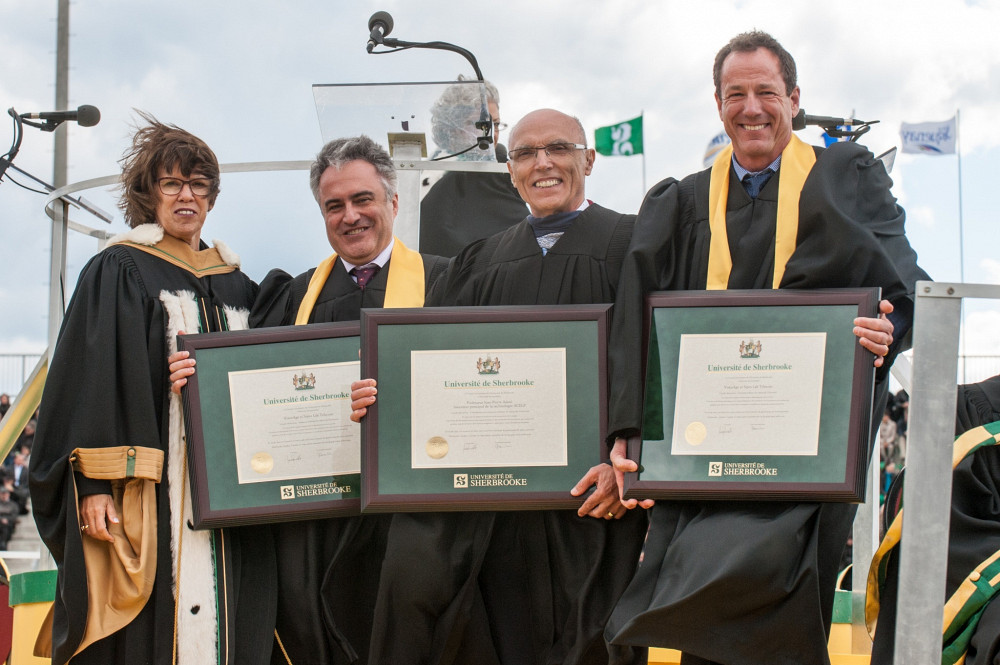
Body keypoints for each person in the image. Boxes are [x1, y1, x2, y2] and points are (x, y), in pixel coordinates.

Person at [604, 31, 929, 665]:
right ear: (718, 104)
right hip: (705, 441)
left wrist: (888, 328)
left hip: (811, 435)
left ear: (794, 98)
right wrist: (628, 429)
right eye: (736, 94)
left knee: (786, 582)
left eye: (766, 92)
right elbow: (639, 315)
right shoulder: (684, 201)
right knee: (702, 589)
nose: (751, 108)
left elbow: (903, 285)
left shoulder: (847, 178)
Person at [353, 109, 648, 665]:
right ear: (508, 171)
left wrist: (632, 457)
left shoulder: (633, 242)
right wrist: (379, 395)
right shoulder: (478, 262)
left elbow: (654, 359)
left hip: (593, 502)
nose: (542, 163)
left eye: (558, 148)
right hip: (494, 506)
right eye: (524, 154)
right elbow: (436, 372)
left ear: (588, 158)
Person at [171, 135, 449, 665]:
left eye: (363, 199)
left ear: (393, 202)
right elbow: (247, 385)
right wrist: (194, 375)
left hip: (408, 524)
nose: (351, 216)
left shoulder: (446, 280)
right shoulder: (296, 296)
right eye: (334, 206)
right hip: (315, 519)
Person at [29, 114, 271, 665]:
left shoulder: (236, 282)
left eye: (198, 184)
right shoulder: (119, 269)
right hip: (151, 489)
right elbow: (89, 380)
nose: (187, 195)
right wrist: (90, 484)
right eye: (172, 183)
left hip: (229, 490)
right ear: (149, 192)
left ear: (211, 196)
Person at [419, 75, 527, 257]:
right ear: (452, 125)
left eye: (496, 124)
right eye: (481, 124)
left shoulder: (502, 170)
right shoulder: (423, 171)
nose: (492, 134)